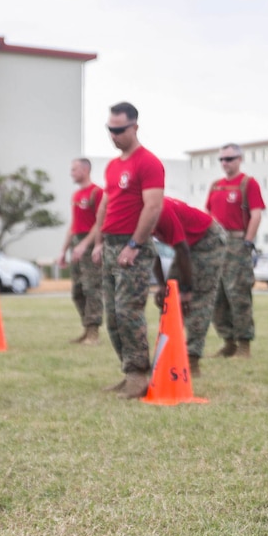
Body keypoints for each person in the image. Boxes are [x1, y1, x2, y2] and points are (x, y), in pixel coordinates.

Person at [73, 102, 164, 399]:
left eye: (119, 129)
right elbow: (105, 206)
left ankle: (140, 375)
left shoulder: (147, 162)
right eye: (110, 129)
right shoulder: (113, 165)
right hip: (110, 244)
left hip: (132, 245)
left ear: (134, 127)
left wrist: (135, 245)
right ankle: (128, 372)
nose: (113, 135)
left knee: (129, 311)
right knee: (112, 315)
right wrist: (98, 242)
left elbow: (153, 207)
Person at [150, 197, 228, 377]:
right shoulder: (137, 214)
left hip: (208, 239)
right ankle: (168, 357)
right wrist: (161, 285)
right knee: (169, 297)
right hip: (187, 246)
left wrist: (187, 290)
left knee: (199, 299)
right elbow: (152, 252)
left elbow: (182, 249)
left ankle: (192, 360)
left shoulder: (161, 210)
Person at [206, 143, 265, 358]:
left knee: (238, 295)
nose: (225, 163)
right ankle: (228, 341)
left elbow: (256, 214)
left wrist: (248, 242)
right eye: (221, 159)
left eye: (229, 159)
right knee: (217, 295)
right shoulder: (216, 186)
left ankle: (243, 344)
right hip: (216, 245)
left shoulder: (248, 183)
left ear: (239, 159)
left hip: (237, 244)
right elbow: (209, 214)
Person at [56, 158, 105, 346]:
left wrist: (86, 244)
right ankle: (86, 329)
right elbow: (73, 225)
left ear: (85, 170)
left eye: (74, 169)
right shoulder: (76, 195)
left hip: (90, 243)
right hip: (76, 243)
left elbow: (99, 223)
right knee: (77, 290)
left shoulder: (96, 192)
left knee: (92, 287)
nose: (71, 172)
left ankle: (94, 331)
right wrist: (63, 250)